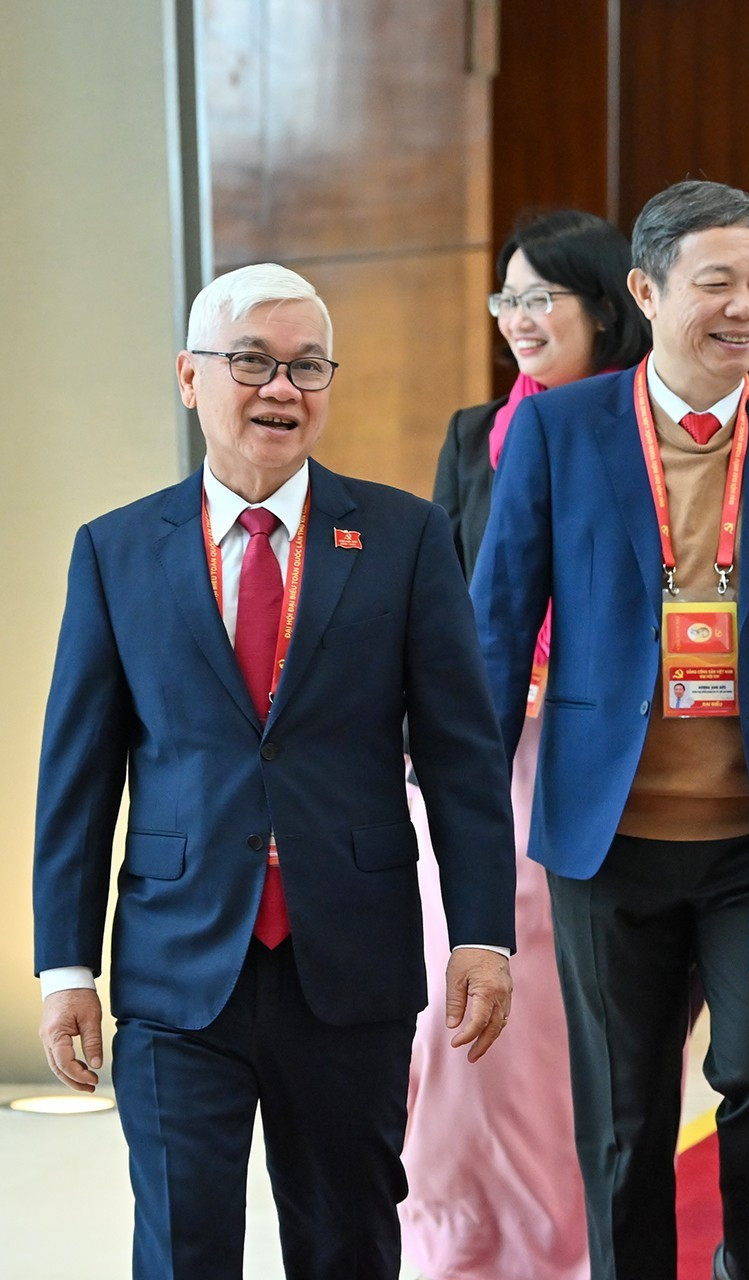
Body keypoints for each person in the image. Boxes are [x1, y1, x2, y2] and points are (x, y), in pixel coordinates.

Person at [33, 263, 517, 1279]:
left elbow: (462, 755)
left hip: (350, 959)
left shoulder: (403, 538)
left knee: (346, 1240)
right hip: (177, 963)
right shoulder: (116, 551)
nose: (281, 388)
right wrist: (65, 964)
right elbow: (78, 776)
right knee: (183, 1242)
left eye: (306, 366)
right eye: (251, 360)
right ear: (189, 377)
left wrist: (481, 930)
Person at [470, 180, 749, 1279]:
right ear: (648, 291)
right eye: (719, 283)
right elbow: (498, 630)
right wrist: (471, 841)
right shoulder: (558, 430)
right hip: (608, 839)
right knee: (627, 1117)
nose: (747, 307)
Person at [404, 208, 647, 1280]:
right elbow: (444, 599)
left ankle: (553, 1244)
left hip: (586, 763)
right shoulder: (472, 434)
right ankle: (453, 1238)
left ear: (606, 306)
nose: (521, 318)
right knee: (444, 1013)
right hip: (476, 760)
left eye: (542, 295)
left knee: (553, 1027)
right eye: (508, 298)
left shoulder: (637, 437)